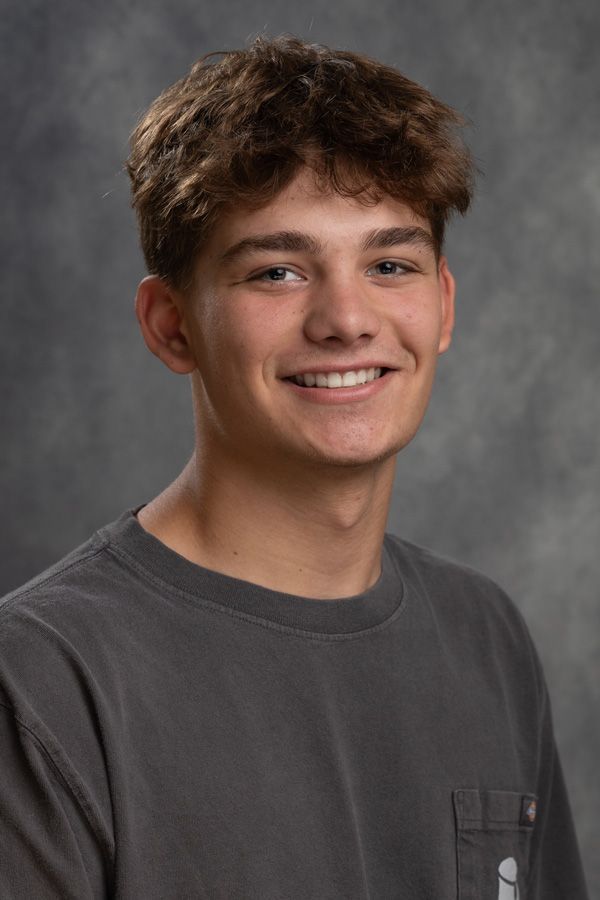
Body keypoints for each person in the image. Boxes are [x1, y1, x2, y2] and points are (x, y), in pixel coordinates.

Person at [0, 35, 589, 899]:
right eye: (277, 271)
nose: (348, 320)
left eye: (390, 265)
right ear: (171, 326)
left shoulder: (486, 637)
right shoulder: (45, 684)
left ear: (443, 305)